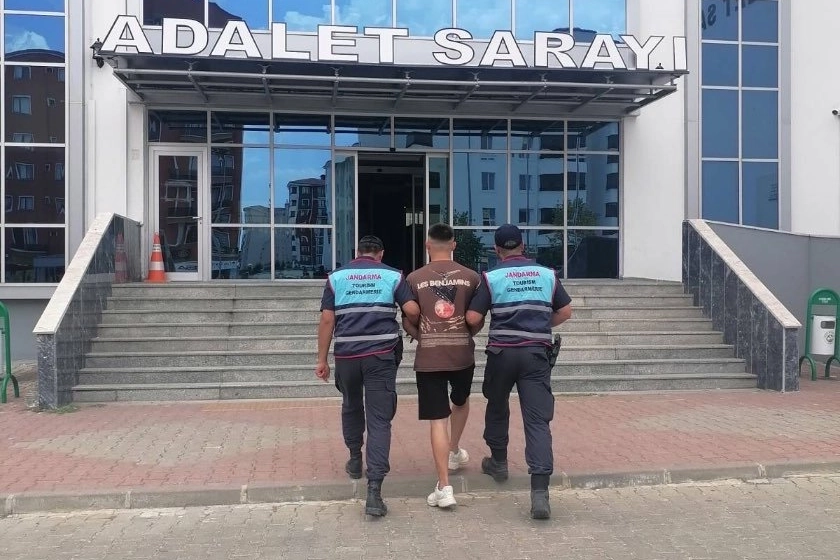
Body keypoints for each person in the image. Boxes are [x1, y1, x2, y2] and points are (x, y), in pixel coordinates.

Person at [466, 224, 572, 520]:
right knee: (537, 421)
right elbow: (565, 311)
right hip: (536, 355)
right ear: (523, 246)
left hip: (502, 354)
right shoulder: (546, 274)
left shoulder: (491, 277)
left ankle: (498, 462)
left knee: (497, 406)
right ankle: (539, 494)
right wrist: (540, 325)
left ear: (497, 249)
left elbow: (473, 317)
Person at [315, 235, 420, 517]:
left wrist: (322, 360)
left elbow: (327, 319)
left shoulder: (336, 278)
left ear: (357, 252)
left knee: (351, 405)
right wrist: (413, 322)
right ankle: (374, 490)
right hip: (380, 356)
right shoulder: (393, 276)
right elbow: (411, 309)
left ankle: (354, 459)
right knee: (379, 420)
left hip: (347, 357)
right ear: (380, 253)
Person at [402, 223, 481, 509]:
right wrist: (467, 335)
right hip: (462, 354)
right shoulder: (472, 277)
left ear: (427, 245)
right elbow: (476, 318)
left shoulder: (413, 279)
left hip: (429, 357)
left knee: (438, 420)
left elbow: (408, 318)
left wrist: (421, 336)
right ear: (454, 245)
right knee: (460, 400)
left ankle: (444, 487)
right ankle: (454, 449)